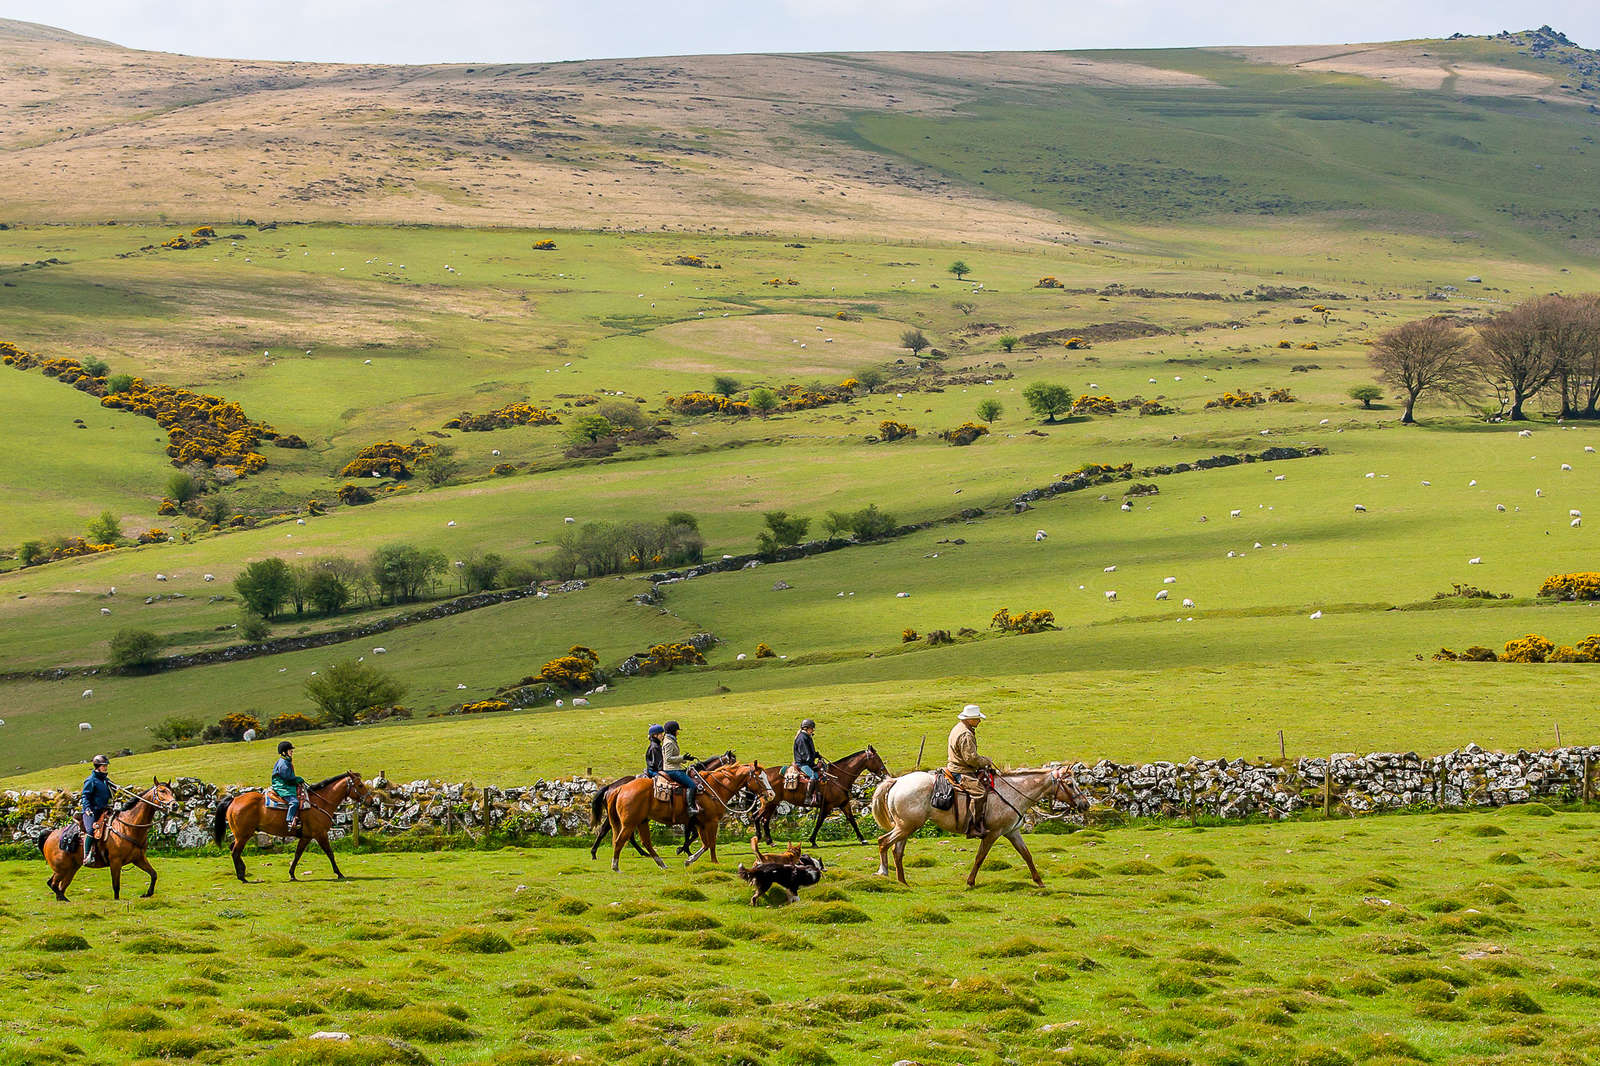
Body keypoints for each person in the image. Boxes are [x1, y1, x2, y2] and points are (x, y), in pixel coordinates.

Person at [946, 705, 995, 838]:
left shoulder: (958, 727)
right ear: (970, 719)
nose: (979, 721)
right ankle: (973, 826)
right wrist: (986, 761)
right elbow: (971, 759)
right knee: (980, 793)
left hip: (955, 766)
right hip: (961, 770)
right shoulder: (966, 734)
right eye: (977, 719)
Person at [659, 720, 700, 819]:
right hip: (671, 770)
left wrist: (685, 759)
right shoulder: (668, 742)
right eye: (677, 730)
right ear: (673, 731)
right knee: (692, 785)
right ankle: (690, 808)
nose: (678, 732)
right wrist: (682, 758)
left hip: (675, 768)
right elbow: (668, 758)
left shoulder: (671, 740)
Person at [79, 754, 114, 864]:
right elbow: (85, 796)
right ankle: (86, 856)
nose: (106, 768)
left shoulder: (105, 780)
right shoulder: (91, 780)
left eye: (106, 766)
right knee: (90, 830)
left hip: (104, 811)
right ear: (98, 766)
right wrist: (87, 809)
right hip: (91, 812)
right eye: (104, 766)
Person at [272, 740, 307, 836]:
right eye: (290, 750)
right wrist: (297, 779)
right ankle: (290, 820)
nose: (292, 752)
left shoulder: (286, 761)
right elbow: (287, 778)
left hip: (286, 783)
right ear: (284, 752)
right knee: (294, 802)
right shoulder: (283, 764)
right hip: (281, 786)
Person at [793, 718, 827, 806]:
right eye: (811, 729)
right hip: (802, 764)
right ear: (806, 728)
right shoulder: (802, 738)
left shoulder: (806, 737)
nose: (812, 731)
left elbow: (809, 752)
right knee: (813, 776)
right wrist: (813, 765)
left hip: (807, 762)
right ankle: (808, 798)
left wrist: (817, 755)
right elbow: (805, 755)